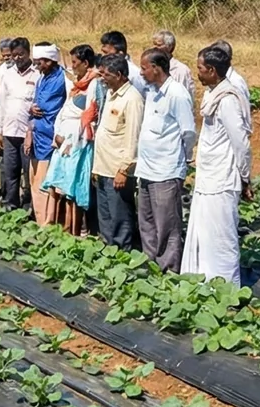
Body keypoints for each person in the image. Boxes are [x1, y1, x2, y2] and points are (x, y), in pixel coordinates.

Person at [181, 44, 251, 283]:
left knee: (221, 237)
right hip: (208, 176)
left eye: (200, 68)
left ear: (211, 70)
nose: (197, 73)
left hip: (222, 178)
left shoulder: (228, 99)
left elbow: (241, 143)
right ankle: (205, 283)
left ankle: (224, 287)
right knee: (205, 233)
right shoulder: (212, 94)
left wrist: (245, 176)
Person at [134, 47, 195, 271]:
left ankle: (169, 269)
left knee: (167, 224)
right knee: (147, 221)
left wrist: (181, 159)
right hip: (146, 169)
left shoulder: (177, 94)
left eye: (144, 68)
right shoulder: (152, 91)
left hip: (166, 171)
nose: (141, 73)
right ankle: (150, 264)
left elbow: (188, 133)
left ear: (156, 68)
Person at [90, 53, 144, 250]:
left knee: (120, 216)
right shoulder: (111, 94)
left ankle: (122, 253)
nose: (102, 79)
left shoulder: (132, 99)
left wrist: (124, 169)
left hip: (117, 170)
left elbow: (133, 138)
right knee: (105, 216)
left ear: (119, 75)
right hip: (103, 166)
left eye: (106, 75)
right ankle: (107, 251)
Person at [44, 45, 98, 234]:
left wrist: (70, 142)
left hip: (77, 143)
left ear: (85, 63)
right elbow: (65, 110)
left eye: (75, 62)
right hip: (64, 140)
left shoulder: (94, 85)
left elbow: (89, 117)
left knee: (72, 187)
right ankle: (58, 225)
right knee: (60, 184)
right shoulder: (78, 85)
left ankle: (74, 229)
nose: (72, 66)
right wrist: (58, 135)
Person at [0, 35, 39, 211]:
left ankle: (29, 207)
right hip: (9, 132)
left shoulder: (37, 74)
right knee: (10, 172)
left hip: (28, 134)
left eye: (21, 54)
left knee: (29, 173)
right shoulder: (8, 74)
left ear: (28, 53)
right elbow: (1, 103)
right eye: (14, 55)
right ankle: (10, 205)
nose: (17, 58)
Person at [28, 43, 67, 225]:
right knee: (35, 182)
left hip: (50, 139)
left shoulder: (61, 80)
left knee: (45, 184)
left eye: (40, 62)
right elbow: (35, 104)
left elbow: (46, 107)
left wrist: (35, 109)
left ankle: (47, 223)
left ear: (50, 61)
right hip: (38, 137)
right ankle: (40, 220)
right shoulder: (42, 78)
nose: (37, 66)